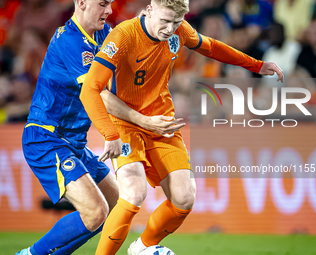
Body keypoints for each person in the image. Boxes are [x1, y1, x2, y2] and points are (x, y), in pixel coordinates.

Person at [80, 0, 284, 254]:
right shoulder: (123, 35)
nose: (169, 29)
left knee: (184, 199)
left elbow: (211, 47)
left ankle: (141, 248)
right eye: (165, 21)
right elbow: (90, 89)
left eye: (176, 22)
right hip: (126, 123)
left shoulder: (180, 30)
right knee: (133, 193)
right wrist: (110, 133)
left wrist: (255, 65)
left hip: (163, 123)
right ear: (149, 9)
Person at [15, 0, 181, 254]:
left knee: (115, 206)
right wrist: (144, 122)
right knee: (95, 211)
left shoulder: (104, 34)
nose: (109, 10)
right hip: (47, 138)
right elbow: (99, 94)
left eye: (111, 4)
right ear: (81, 3)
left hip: (75, 143)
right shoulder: (69, 41)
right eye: (103, 4)